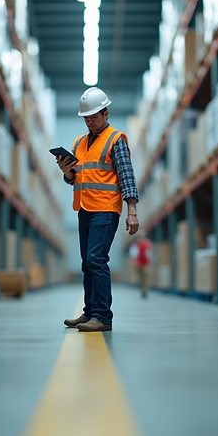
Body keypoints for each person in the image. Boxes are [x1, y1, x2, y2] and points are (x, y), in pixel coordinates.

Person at [55, 87, 139, 332]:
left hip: (105, 208)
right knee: (86, 263)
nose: (89, 121)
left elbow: (127, 176)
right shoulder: (79, 143)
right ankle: (89, 312)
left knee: (96, 260)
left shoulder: (116, 139)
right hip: (84, 207)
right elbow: (77, 177)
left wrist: (131, 211)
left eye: (93, 117)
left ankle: (103, 316)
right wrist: (67, 173)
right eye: (86, 118)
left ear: (106, 113)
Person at [129, 232, 154, 298]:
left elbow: (150, 253)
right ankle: (139, 287)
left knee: (146, 277)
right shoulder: (135, 245)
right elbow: (133, 255)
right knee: (139, 277)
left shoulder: (148, 244)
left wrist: (150, 262)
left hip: (146, 263)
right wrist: (134, 263)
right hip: (138, 263)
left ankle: (144, 290)